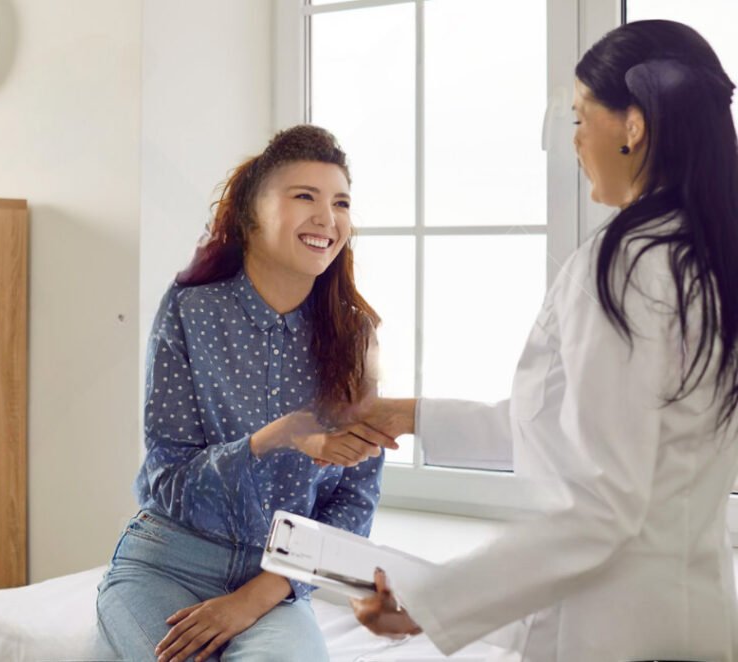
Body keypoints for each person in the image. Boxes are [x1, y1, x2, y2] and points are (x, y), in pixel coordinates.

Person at [348, 19, 738, 661]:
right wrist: (413, 416)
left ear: (634, 126)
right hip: (693, 616)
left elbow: (600, 503)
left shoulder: (624, 266)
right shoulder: (708, 259)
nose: (576, 139)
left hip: (612, 633)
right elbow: (576, 428)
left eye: (583, 116)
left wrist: (430, 604)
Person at [96, 125, 397, 662]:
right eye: (304, 196)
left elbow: (354, 501)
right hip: (167, 561)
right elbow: (168, 480)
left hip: (274, 585)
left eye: (341, 202)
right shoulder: (191, 310)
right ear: (251, 214)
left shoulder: (355, 337)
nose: (327, 218)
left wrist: (253, 599)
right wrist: (270, 440)